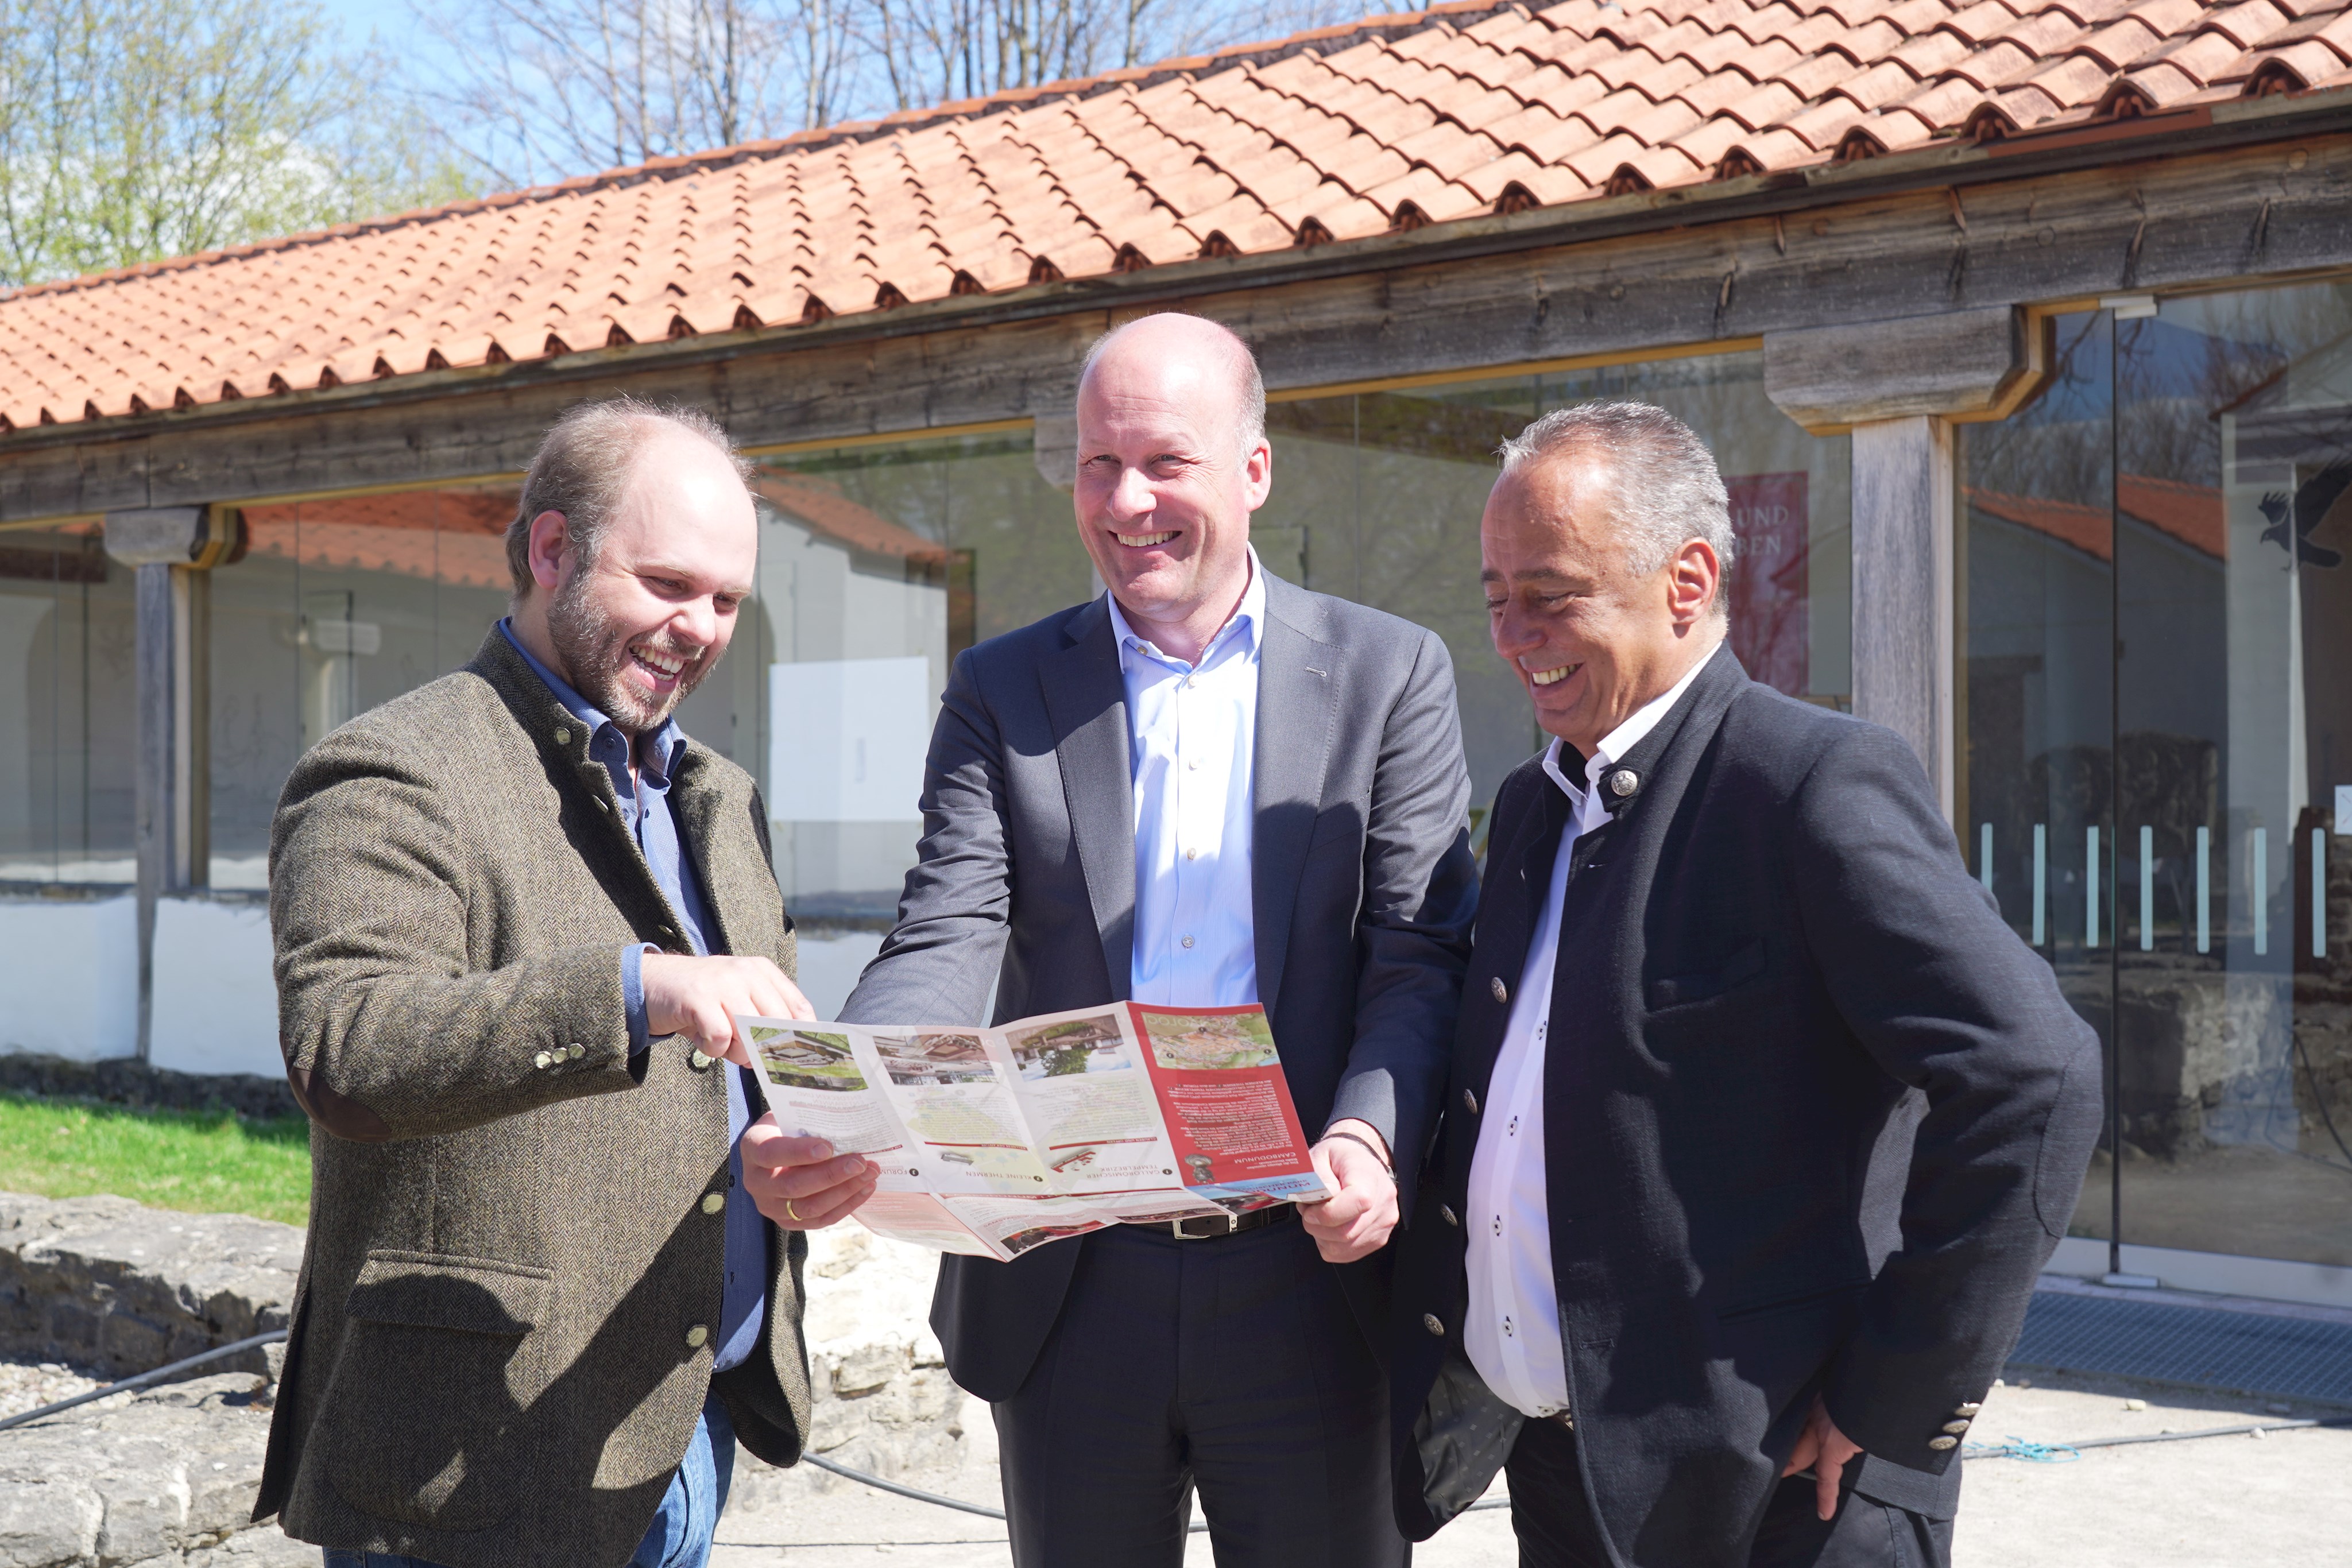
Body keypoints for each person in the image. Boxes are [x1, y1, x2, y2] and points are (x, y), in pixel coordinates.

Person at [1389, 402, 2103, 1568]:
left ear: (1686, 582)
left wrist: (1892, 1398)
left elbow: (2034, 1073)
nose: (1513, 634)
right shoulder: (1531, 808)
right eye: (1494, 596)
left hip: (1788, 1501)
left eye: (1551, 592)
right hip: (1575, 1484)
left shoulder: (1809, 784)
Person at [839, 312, 1480, 1566]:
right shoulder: (1003, 689)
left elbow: (1419, 952)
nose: (1126, 501)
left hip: (1308, 1274)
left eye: (1164, 462)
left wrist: (1368, 1130)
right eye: (1096, 464)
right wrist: (854, 1089)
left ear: (1252, 469)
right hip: (1074, 1284)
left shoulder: (1388, 673)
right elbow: (947, 925)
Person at [259, 398, 878, 1568]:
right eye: (666, 583)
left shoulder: (721, 794)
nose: (698, 626)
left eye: (727, 600)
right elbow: (349, 1046)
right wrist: (635, 991)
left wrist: (778, 1162)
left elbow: (724, 1082)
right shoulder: (394, 768)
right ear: (551, 551)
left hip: (685, 1425)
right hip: (472, 1461)